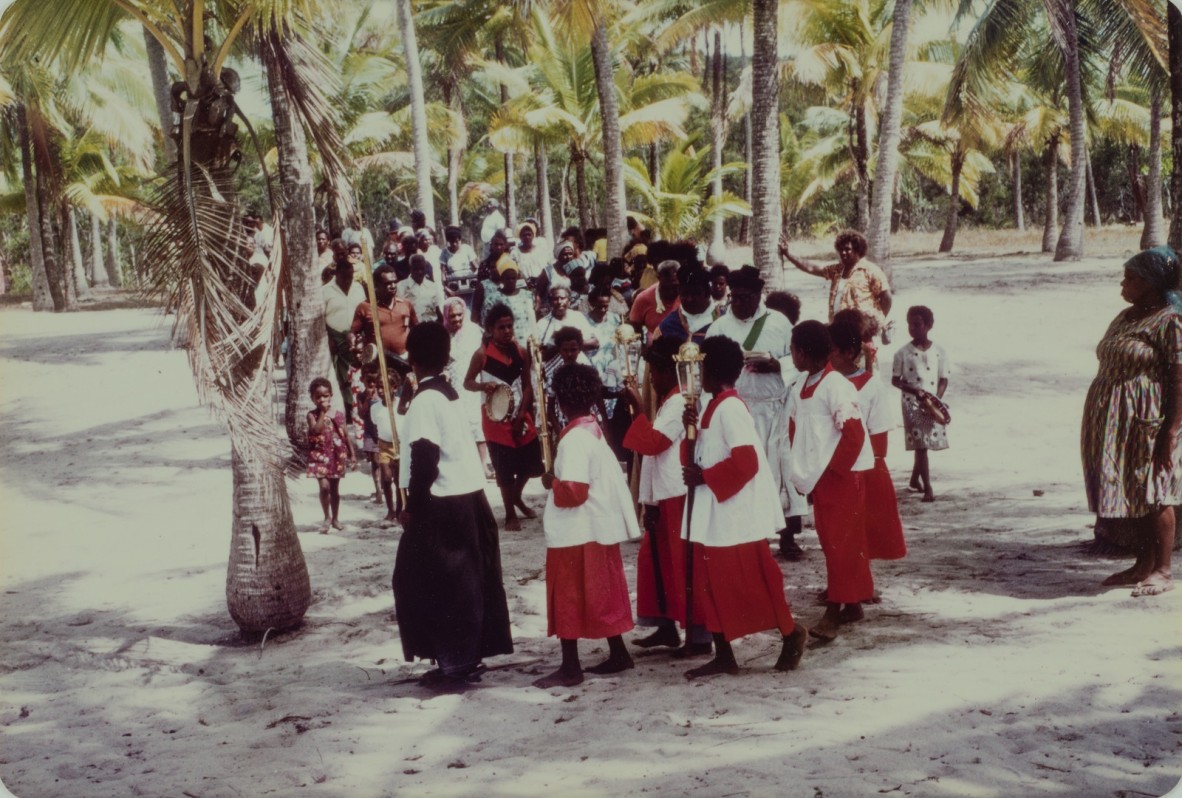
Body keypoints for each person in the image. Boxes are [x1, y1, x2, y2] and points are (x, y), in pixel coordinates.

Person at [393, 322, 514, 687]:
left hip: (441, 500)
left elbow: (426, 457)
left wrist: (412, 505)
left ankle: (456, 661)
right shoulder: (446, 393)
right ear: (446, 357)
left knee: (433, 582)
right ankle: (458, 656)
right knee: (463, 582)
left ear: (412, 359)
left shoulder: (428, 399)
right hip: (466, 496)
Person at [681, 337, 807, 678]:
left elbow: (747, 461)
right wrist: (688, 430)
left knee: (754, 580)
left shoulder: (731, 408)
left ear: (710, 371)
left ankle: (791, 633)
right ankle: (724, 653)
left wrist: (705, 476)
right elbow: (698, 458)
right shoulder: (712, 405)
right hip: (716, 510)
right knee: (712, 583)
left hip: (735, 512)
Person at [1082, 246, 1182, 597]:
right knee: (1129, 489)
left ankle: (1164, 570)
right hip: (1112, 418)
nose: (1122, 285)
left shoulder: (1170, 320)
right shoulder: (1126, 317)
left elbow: (1178, 378)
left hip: (1146, 418)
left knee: (1153, 489)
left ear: (1151, 283)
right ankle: (1142, 563)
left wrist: (1170, 430)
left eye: (1130, 279)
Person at [534, 364, 639, 688]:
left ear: (561, 401)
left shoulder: (574, 440)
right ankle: (619, 652)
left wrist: (552, 483)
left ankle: (570, 666)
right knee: (601, 593)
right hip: (596, 527)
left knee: (568, 596)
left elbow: (575, 493)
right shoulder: (593, 428)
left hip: (577, 530)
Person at [706, 266, 803, 559]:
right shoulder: (719, 327)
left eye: (746, 298)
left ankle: (787, 537)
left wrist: (777, 366)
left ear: (759, 296)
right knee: (748, 475)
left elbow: (798, 361)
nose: (739, 304)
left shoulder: (779, 323)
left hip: (775, 407)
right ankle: (754, 537)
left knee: (781, 472)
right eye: (735, 298)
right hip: (737, 410)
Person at [622, 337, 711, 655]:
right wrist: (649, 500)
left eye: (653, 374)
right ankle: (665, 626)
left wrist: (636, 409)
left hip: (676, 493)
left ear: (667, 373)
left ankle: (699, 637)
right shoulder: (668, 401)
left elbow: (653, 444)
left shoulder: (678, 403)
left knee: (682, 565)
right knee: (656, 562)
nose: (651, 381)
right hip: (662, 493)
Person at [786, 321, 872, 641]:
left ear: (804, 352)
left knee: (840, 542)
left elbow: (853, 434)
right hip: (819, 476)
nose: (791, 355)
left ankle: (835, 609)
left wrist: (833, 471)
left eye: (793, 349)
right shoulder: (799, 385)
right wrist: (803, 474)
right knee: (829, 539)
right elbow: (796, 430)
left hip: (841, 476)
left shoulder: (836, 385)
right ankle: (852, 604)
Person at [830, 315, 906, 567]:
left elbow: (879, 433)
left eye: (832, 351)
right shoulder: (826, 383)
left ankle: (861, 585)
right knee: (837, 530)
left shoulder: (871, 385)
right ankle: (841, 585)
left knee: (862, 529)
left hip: (865, 466)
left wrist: (870, 467)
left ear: (849, 352)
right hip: (833, 465)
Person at [463, 303, 544, 531]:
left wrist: (521, 417)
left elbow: (528, 386)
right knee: (505, 468)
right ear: (491, 329)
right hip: (495, 419)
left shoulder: (521, 352)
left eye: (510, 326)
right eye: (502, 327)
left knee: (531, 464)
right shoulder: (481, 355)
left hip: (521, 412)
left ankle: (517, 497)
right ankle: (510, 513)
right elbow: (467, 382)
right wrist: (482, 385)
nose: (507, 331)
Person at [891, 305, 950, 503]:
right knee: (922, 445)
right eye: (910, 325)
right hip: (912, 404)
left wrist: (936, 400)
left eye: (917, 324)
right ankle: (928, 488)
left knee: (922, 444)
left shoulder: (939, 351)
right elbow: (895, 380)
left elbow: (943, 378)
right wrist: (915, 391)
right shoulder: (902, 353)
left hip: (931, 404)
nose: (913, 329)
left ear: (929, 325)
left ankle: (915, 480)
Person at [780, 230, 893, 331]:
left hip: (861, 330)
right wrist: (788, 254)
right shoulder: (837, 270)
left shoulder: (871, 270)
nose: (843, 253)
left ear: (858, 249)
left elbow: (886, 297)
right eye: (841, 249)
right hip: (837, 327)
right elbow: (812, 268)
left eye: (847, 249)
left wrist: (878, 321)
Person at [445, 297, 494, 479]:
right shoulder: (443, 335)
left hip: (474, 383)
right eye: (452, 316)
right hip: (454, 384)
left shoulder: (474, 331)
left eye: (459, 315)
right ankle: (466, 466)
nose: (457, 319)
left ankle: (483, 465)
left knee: (477, 421)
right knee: (459, 424)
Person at [322, 240, 367, 423]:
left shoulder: (357, 288)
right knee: (339, 376)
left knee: (356, 373)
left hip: (355, 338)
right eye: (344, 277)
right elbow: (321, 319)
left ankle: (357, 407)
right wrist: (329, 338)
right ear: (337, 275)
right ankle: (343, 410)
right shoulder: (325, 291)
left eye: (350, 277)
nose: (348, 281)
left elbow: (363, 311)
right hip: (335, 337)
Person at [306, 377, 356, 534]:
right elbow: (316, 430)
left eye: (325, 396)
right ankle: (326, 517)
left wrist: (352, 455)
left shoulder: (339, 414)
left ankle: (335, 518)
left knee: (334, 489)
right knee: (324, 487)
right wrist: (322, 412)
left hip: (336, 455)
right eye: (318, 397)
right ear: (313, 398)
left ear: (331, 395)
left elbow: (346, 435)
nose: (322, 399)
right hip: (319, 455)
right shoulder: (312, 415)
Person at [350, 265, 418, 363]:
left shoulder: (406, 304)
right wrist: (353, 344)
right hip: (378, 362)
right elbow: (353, 333)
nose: (393, 286)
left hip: (405, 360)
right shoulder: (364, 307)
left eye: (395, 282)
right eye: (388, 283)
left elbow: (416, 328)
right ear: (376, 285)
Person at [474, 253, 536, 346]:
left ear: (517, 278)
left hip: (527, 343)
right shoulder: (492, 299)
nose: (511, 281)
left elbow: (533, 319)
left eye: (513, 278)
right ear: (501, 278)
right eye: (507, 278)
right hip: (504, 345)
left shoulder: (527, 295)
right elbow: (486, 323)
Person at [655, 264, 717, 345]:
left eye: (695, 294)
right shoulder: (667, 326)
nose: (689, 299)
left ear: (708, 293)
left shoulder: (722, 322)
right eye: (684, 294)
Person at [371, 369, 402, 522]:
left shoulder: (402, 405)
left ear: (395, 387)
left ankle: (400, 509)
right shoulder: (375, 408)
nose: (381, 391)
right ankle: (390, 510)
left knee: (399, 480)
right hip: (384, 446)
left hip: (401, 446)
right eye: (378, 387)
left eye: (385, 387)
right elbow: (376, 424)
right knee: (387, 479)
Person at [535, 286, 597, 354]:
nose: (559, 302)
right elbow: (539, 354)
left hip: (579, 362)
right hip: (554, 363)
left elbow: (594, 343)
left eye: (562, 298)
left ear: (569, 301)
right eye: (555, 299)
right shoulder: (542, 324)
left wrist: (570, 345)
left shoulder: (578, 316)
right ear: (550, 302)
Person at [629, 259, 682, 339]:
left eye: (675, 286)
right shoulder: (643, 298)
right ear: (658, 278)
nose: (671, 291)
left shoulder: (690, 296)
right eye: (666, 287)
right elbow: (634, 328)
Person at [397, 253, 446, 324]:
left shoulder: (432, 286)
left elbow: (437, 310)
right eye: (416, 269)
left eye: (422, 268)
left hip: (431, 326)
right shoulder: (401, 286)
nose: (419, 272)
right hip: (412, 328)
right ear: (410, 268)